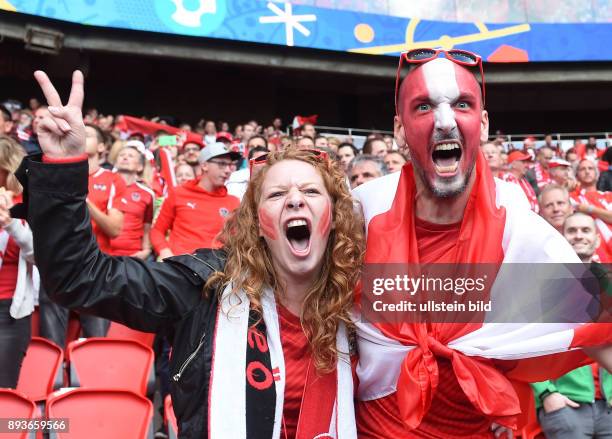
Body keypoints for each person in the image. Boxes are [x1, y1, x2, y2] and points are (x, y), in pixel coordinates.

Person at [21, 69, 363, 437]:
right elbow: (78, 277)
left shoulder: (363, 298)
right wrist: (62, 168)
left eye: (311, 192)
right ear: (256, 221)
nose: (295, 199)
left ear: (334, 216)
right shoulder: (203, 288)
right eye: (277, 195)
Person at [352, 48, 611, 438]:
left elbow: (598, 328)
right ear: (400, 130)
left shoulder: (517, 226)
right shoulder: (363, 210)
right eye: (423, 107)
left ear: (484, 124)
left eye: (462, 104)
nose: (444, 122)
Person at [532, 213, 612, 439]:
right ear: (562, 237)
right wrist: (546, 393)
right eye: (572, 231)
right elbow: (528, 345)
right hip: (567, 406)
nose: (579, 236)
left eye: (585, 230)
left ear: (597, 239)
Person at [150, 142, 241, 258]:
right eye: (222, 164)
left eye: (230, 165)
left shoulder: (234, 202)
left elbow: (237, 241)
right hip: (179, 267)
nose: (228, 170)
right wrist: (165, 252)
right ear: (204, 165)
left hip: (216, 270)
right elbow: (157, 231)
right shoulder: (178, 194)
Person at [0, 135, 38, 388]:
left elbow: (38, 254)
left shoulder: (28, 206)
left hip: (8, 314)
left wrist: (11, 224)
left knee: (3, 390)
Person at [107, 142, 155, 260]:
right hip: (102, 253)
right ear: (116, 163)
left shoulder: (147, 194)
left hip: (133, 256)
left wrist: (146, 250)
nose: (125, 157)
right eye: (122, 154)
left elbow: (147, 226)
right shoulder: (103, 186)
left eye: (131, 156)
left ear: (140, 167)